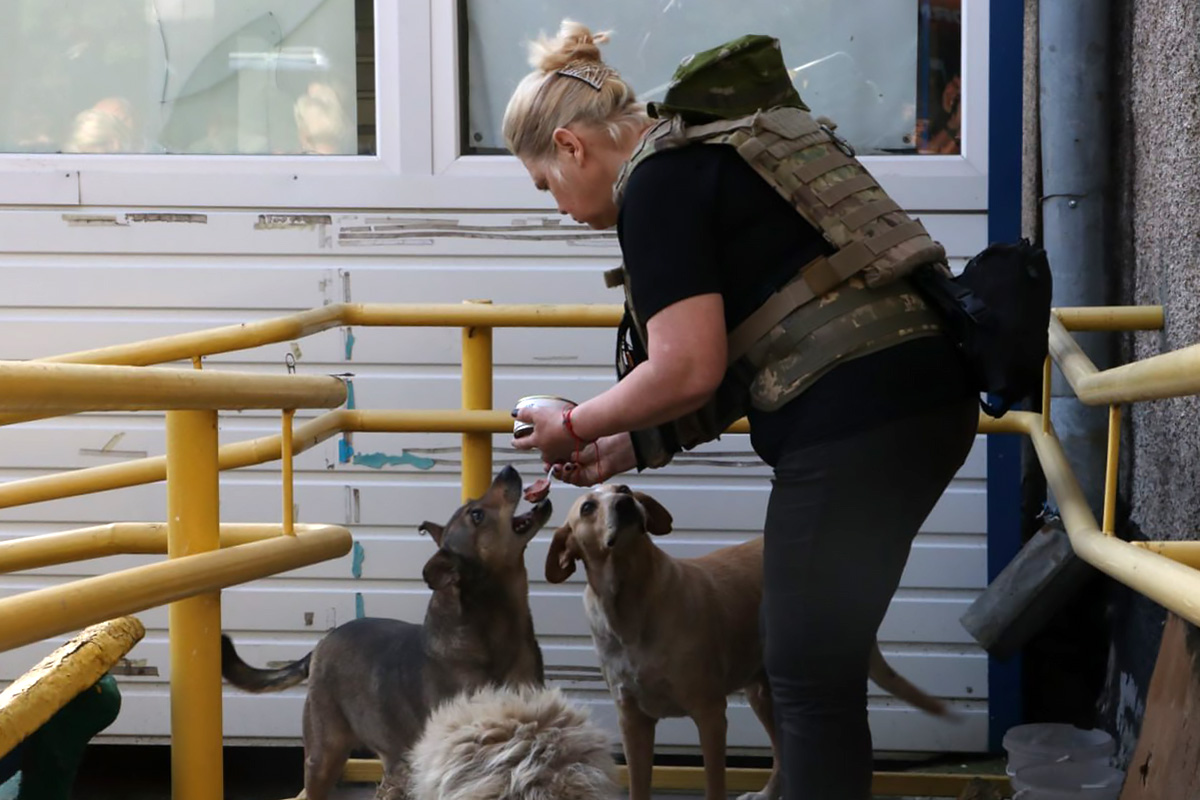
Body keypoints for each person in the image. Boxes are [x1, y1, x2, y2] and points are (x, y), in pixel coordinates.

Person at [506, 21, 979, 800]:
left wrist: (577, 422)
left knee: (803, 675)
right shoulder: (707, 157)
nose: (556, 208)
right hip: (920, 402)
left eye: (544, 185)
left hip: (855, 420)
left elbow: (687, 365)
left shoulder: (654, 188)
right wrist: (627, 447)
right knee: (816, 666)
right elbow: (760, 339)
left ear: (571, 146)